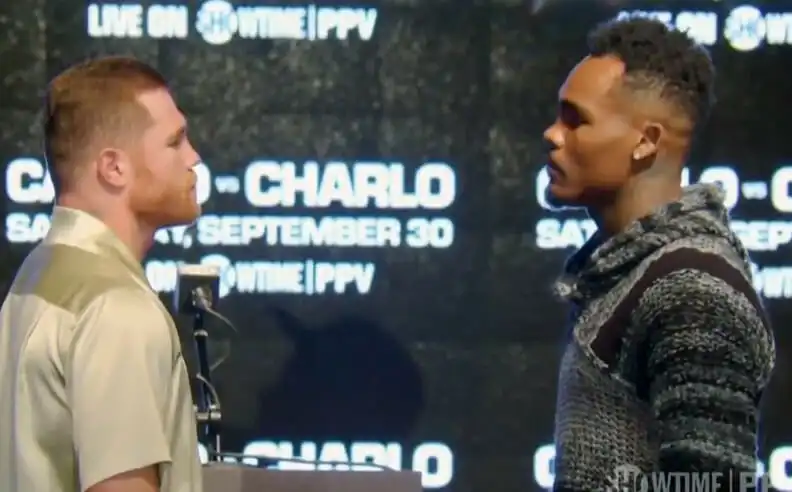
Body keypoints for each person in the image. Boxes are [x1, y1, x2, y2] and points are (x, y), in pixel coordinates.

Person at [544, 16, 775, 491]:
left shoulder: (692, 292)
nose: (552, 134)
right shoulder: (624, 275)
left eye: (575, 120)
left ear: (645, 142)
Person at [0, 56, 203, 492]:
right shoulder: (116, 308)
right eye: (175, 142)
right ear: (114, 168)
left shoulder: (35, 275)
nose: (194, 157)